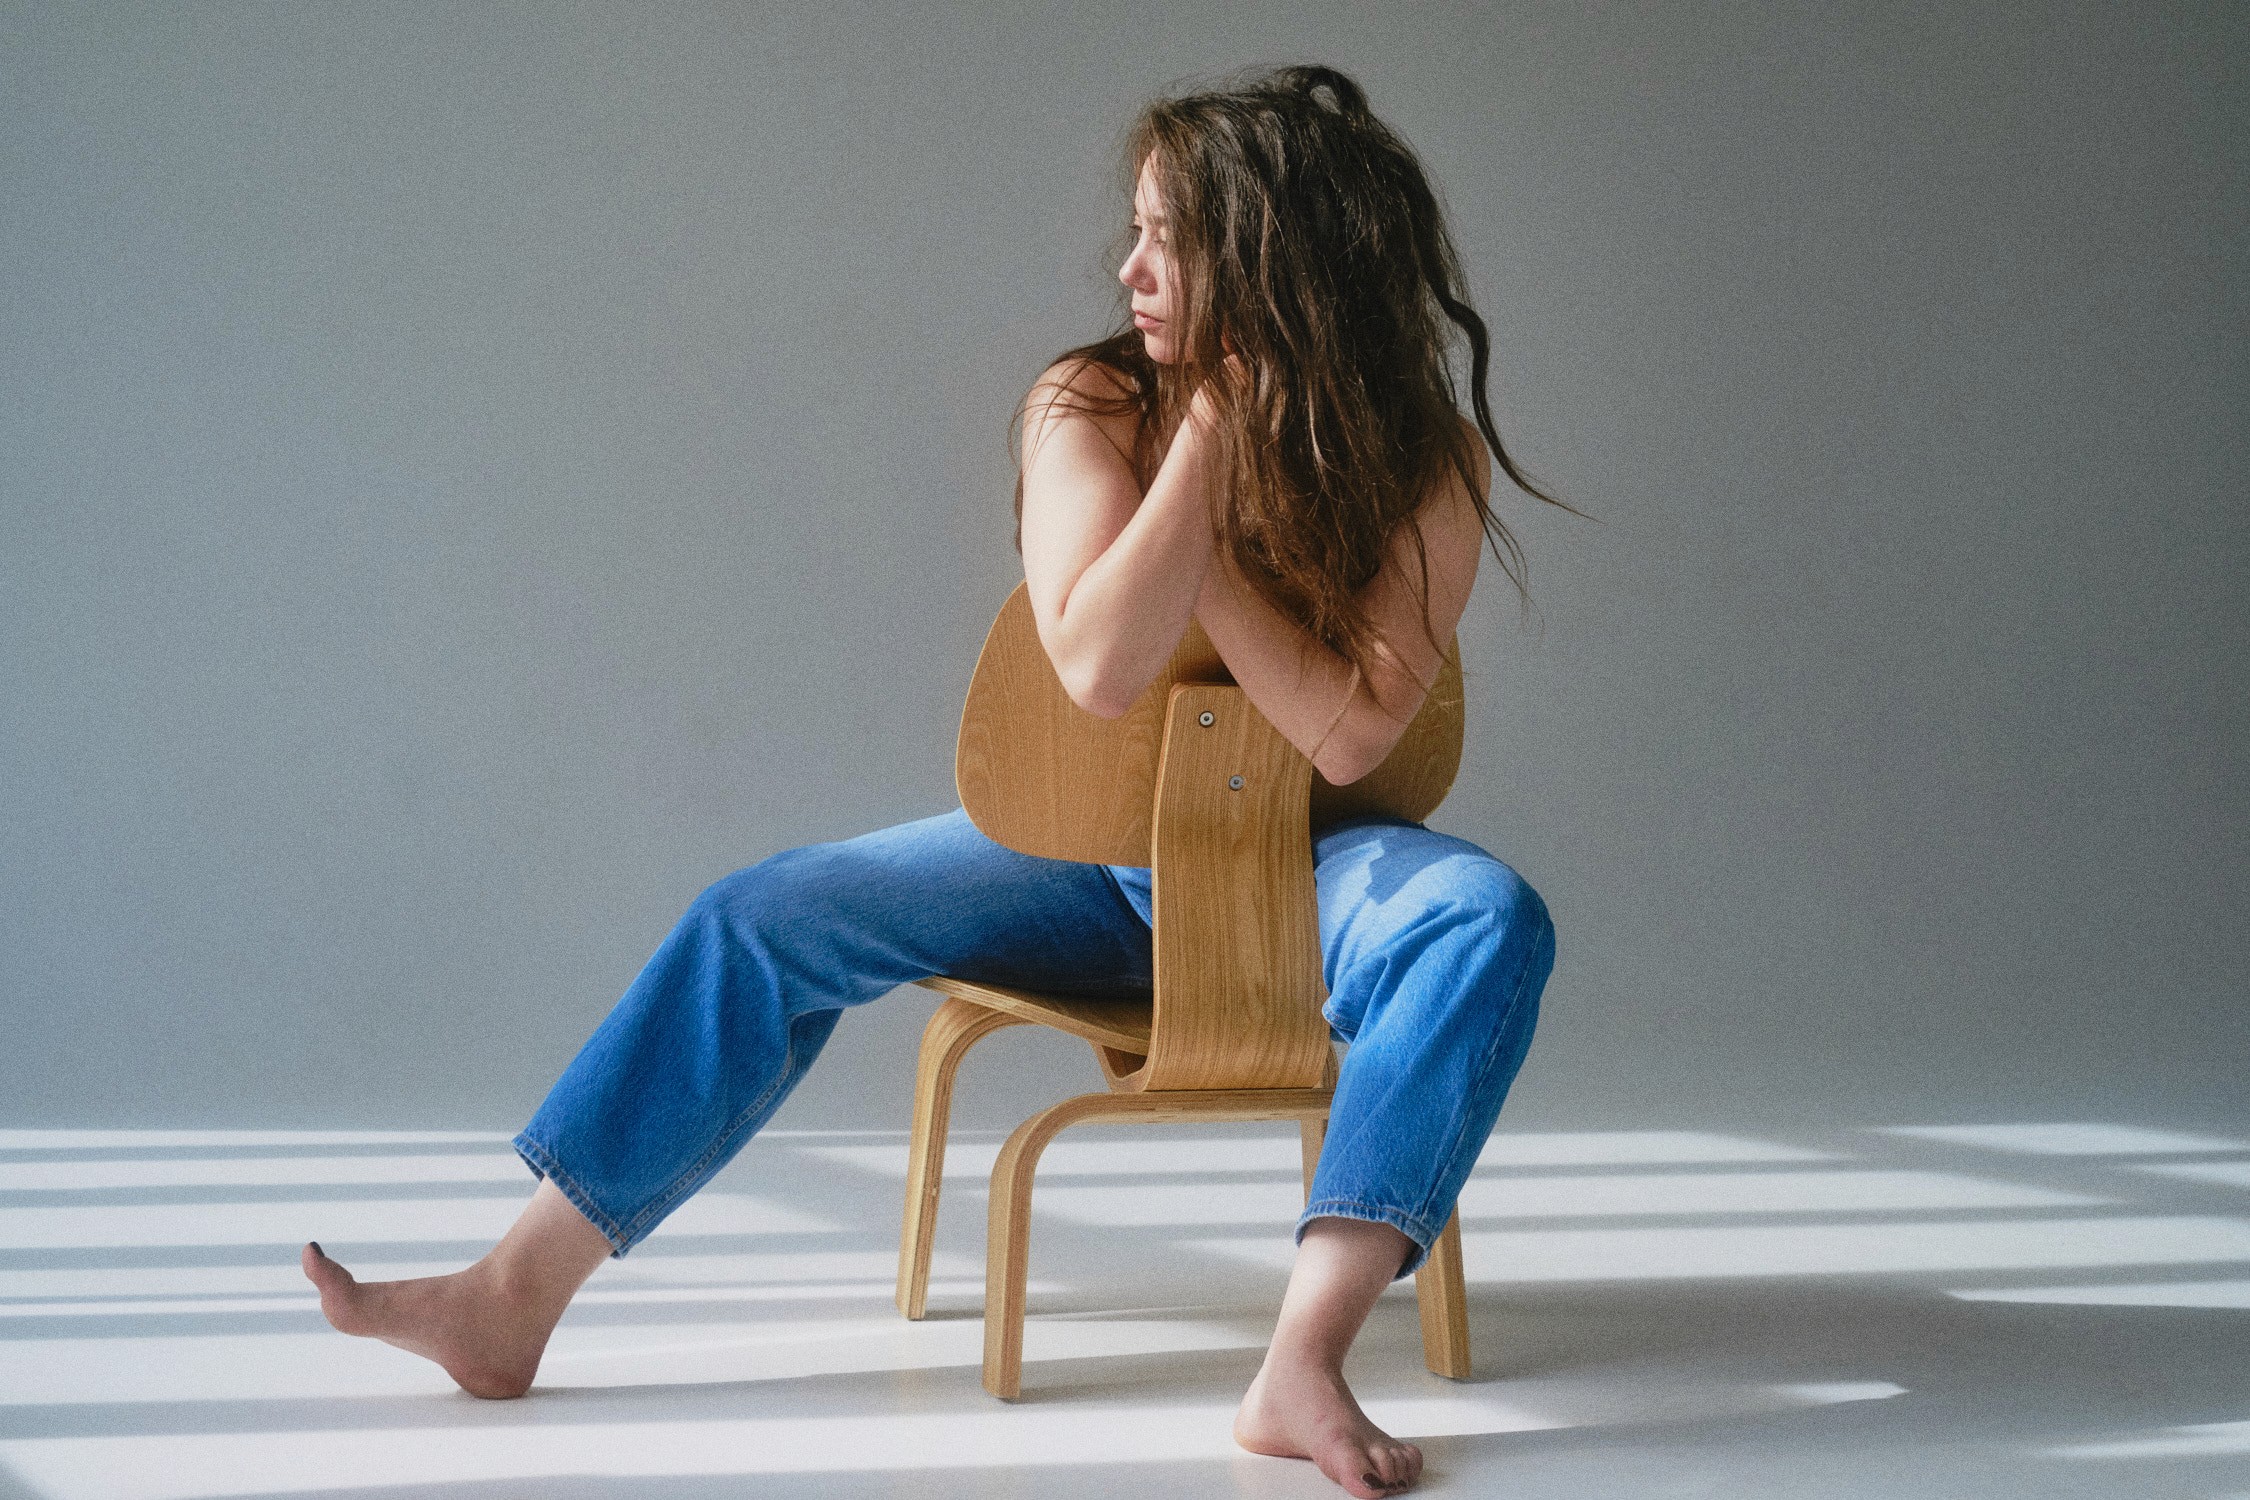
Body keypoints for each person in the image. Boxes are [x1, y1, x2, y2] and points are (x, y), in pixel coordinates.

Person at [304, 63, 1570, 1500]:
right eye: (1134, 232)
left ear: (1274, 261)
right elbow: (1093, 659)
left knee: (1485, 917)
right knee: (762, 914)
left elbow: (1351, 741)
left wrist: (1211, 553)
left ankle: (1303, 1358)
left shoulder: (1425, 460)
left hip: (1318, 872)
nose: (1128, 267)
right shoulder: (1085, 404)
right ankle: (507, 1297)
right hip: (1085, 873)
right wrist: (1209, 451)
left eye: (1169, 238)